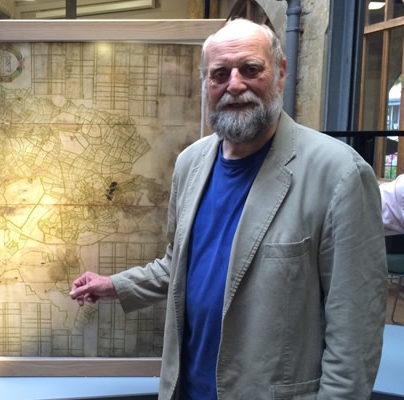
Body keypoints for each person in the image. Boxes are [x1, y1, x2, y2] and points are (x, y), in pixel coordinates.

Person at [70, 19, 387, 400]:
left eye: (251, 69)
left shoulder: (340, 174)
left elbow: (355, 330)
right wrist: (116, 286)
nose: (234, 85)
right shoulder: (190, 164)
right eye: (220, 74)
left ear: (281, 72)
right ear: (206, 84)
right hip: (188, 389)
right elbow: (181, 265)